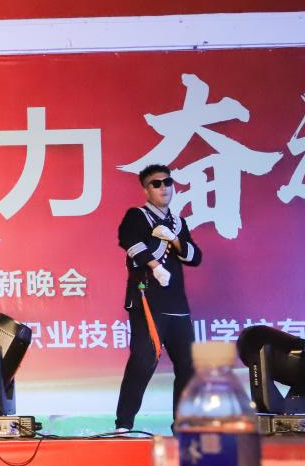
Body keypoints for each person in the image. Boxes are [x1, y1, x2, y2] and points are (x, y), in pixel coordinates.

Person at [115, 163, 203, 433]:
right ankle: (124, 425)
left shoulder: (178, 222)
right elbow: (129, 243)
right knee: (143, 361)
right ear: (146, 190)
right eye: (156, 184)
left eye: (168, 182)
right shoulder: (137, 215)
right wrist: (155, 266)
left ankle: (182, 425)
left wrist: (174, 239)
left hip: (177, 305)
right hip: (147, 301)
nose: (163, 188)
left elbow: (195, 257)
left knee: (188, 365)